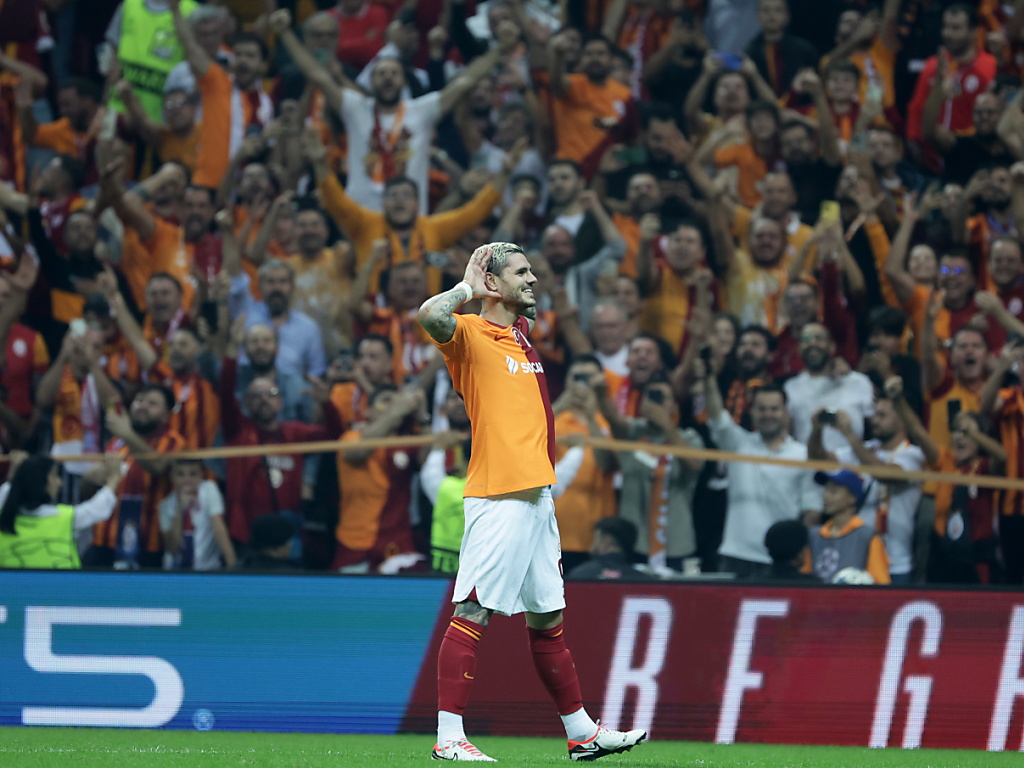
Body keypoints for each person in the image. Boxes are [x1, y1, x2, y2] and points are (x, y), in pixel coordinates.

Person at [418, 242, 646, 761]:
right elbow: (431, 314)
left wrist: (504, 286)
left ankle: (582, 733)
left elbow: (529, 315)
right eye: (521, 272)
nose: (533, 279)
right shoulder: (469, 335)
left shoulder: (521, 335)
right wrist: (468, 286)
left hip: (538, 498)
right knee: (473, 610)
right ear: (493, 284)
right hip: (499, 495)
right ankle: (448, 738)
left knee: (547, 619)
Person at [0, 451, 121, 569]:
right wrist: (114, 478)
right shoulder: (64, 518)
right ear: (40, 481)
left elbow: (6, 495)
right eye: (54, 476)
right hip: (62, 583)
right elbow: (98, 508)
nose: (59, 483)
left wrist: (14, 475)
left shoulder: (4, 516)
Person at [808, 469, 891, 585]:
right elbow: (805, 578)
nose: (826, 496)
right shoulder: (815, 535)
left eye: (834, 491)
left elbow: (881, 584)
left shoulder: (867, 536)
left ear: (852, 498)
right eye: (826, 490)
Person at [159, 458, 236, 571]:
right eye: (180, 474)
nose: (187, 479)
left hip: (207, 568)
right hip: (175, 570)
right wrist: (179, 511)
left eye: (193, 474)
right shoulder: (165, 505)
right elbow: (172, 549)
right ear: (172, 477)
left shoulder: (209, 489)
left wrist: (233, 567)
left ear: (201, 475)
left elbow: (219, 529)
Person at [566, 517, 656, 581]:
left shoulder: (580, 575)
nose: (592, 545)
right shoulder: (645, 580)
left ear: (607, 540)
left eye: (595, 539)